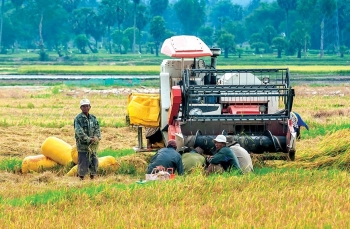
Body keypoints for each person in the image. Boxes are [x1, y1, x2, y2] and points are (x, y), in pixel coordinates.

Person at [74, 98, 101, 180]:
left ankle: (92, 177)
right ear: (81, 108)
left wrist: (96, 137)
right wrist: (88, 139)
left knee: (94, 161)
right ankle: (81, 178)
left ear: (90, 107)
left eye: (87, 106)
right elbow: (79, 132)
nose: (86, 108)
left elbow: (97, 129)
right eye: (83, 106)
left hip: (93, 146)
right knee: (83, 162)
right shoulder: (78, 119)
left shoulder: (93, 118)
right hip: (83, 146)